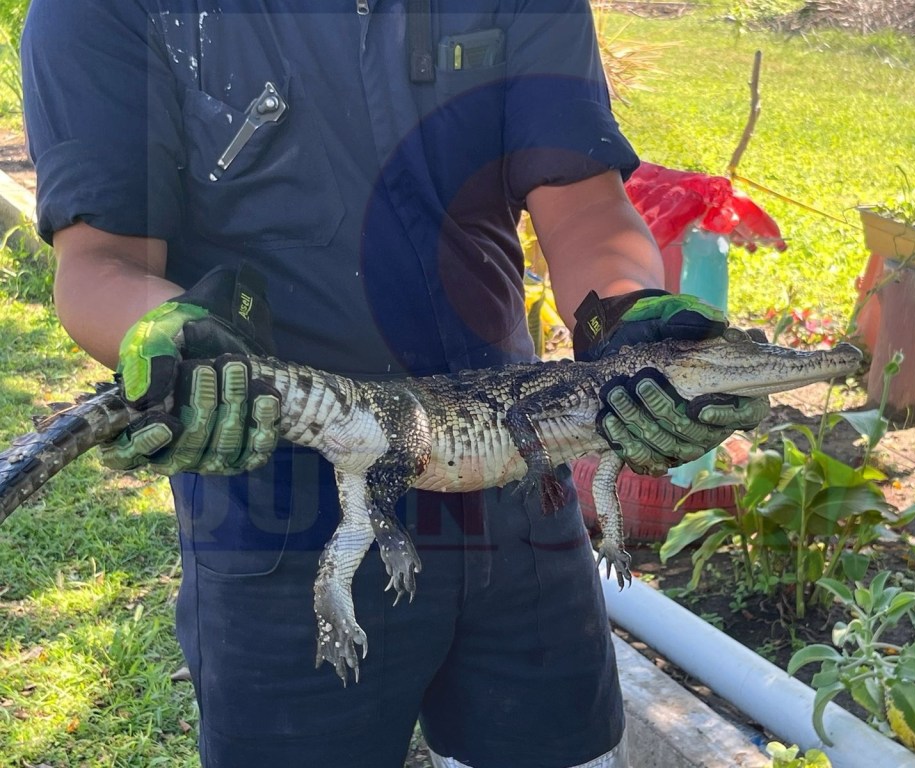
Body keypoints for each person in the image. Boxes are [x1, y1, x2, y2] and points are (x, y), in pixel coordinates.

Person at [21, 2, 768, 766]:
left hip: (516, 479)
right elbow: (100, 261)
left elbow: (586, 211)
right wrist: (178, 336)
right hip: (275, 494)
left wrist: (628, 318)